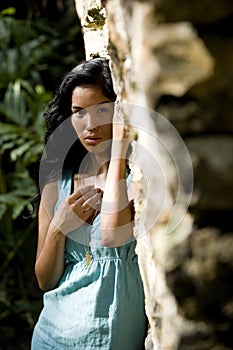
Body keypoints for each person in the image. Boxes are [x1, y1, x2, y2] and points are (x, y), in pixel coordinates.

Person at [31, 57, 147, 349]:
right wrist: (60, 227)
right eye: (79, 112)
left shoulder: (138, 179)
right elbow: (45, 280)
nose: (90, 124)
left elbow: (111, 235)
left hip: (107, 335)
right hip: (50, 335)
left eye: (102, 110)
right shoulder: (58, 183)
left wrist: (118, 152)